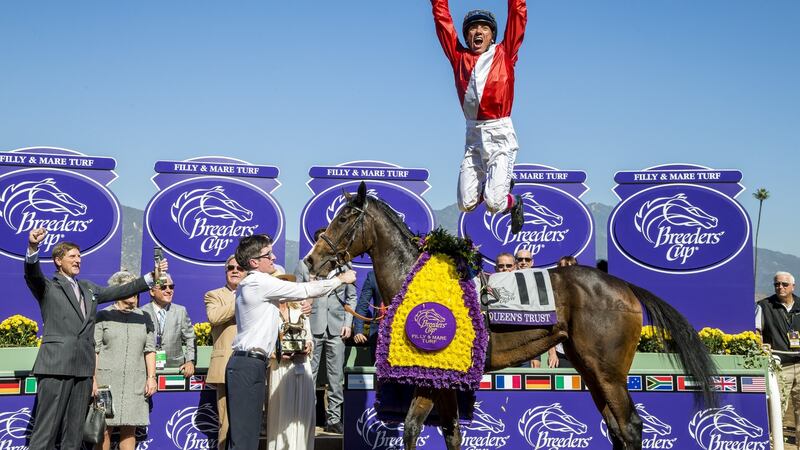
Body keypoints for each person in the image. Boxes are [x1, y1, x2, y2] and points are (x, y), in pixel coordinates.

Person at [22, 227, 165, 450]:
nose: (78, 260)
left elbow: (119, 291)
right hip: (55, 366)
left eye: (79, 256)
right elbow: (32, 274)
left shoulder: (88, 288)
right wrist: (32, 248)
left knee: (74, 433)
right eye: (72, 256)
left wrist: (151, 277)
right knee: (46, 431)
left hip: (83, 370)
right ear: (58, 261)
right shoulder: (48, 286)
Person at [225, 234, 356, 450]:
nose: (274, 257)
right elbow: (303, 290)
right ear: (254, 262)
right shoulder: (259, 282)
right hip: (247, 366)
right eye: (268, 255)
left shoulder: (255, 284)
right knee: (244, 440)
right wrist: (340, 280)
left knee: (245, 437)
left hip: (252, 364)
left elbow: (270, 322)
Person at [431, 0, 528, 234]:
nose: (478, 31)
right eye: (473, 28)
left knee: (495, 204)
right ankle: (493, 185)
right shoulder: (458, 57)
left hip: (500, 133)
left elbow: (517, 13)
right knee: (466, 204)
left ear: (492, 35)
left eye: (484, 28)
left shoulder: (505, 53)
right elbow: (442, 20)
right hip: (473, 135)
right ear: (466, 36)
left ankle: (513, 202)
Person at [295, 229, 358, 434]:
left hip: (337, 328)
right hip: (313, 328)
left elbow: (352, 297)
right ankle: (308, 417)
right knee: (309, 375)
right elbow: (297, 294)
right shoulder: (304, 265)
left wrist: (348, 322)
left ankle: (334, 419)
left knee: (336, 376)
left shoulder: (345, 267)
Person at [94, 271, 157, 450]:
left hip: (135, 381)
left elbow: (150, 349)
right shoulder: (102, 316)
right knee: (103, 429)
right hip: (106, 382)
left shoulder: (144, 317)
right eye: (129, 291)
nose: (133, 295)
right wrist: (93, 380)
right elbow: (94, 350)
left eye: (136, 291)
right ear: (117, 291)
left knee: (130, 428)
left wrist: (151, 377)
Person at [265, 274, 315, 450]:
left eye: (288, 285)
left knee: (302, 413)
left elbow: (309, 336)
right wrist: (274, 354)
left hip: (301, 365)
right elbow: (263, 342)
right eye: (281, 284)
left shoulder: (301, 310)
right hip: (279, 368)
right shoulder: (268, 311)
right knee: (281, 413)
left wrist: (308, 345)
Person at [204, 255, 244, 450]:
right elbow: (214, 317)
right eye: (231, 268)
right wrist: (241, 298)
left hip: (253, 364)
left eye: (239, 267)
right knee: (226, 423)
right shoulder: (213, 294)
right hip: (226, 365)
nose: (235, 270)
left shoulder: (257, 294)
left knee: (250, 423)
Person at [756, 271, 800, 445]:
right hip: (780, 366)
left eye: (784, 284)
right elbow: (756, 332)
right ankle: (774, 445)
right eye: (777, 284)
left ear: (793, 287)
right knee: (776, 410)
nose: (780, 287)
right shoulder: (764, 306)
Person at [141, 274, 196, 378]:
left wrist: (190, 361)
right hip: (146, 369)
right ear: (152, 291)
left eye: (171, 287)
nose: (168, 290)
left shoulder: (180, 311)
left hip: (176, 369)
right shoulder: (142, 312)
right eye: (163, 287)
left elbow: (190, 337)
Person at [353, 270, 383, 363]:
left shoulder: (408, 272)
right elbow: (362, 305)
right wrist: (358, 331)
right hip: (378, 332)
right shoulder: (373, 276)